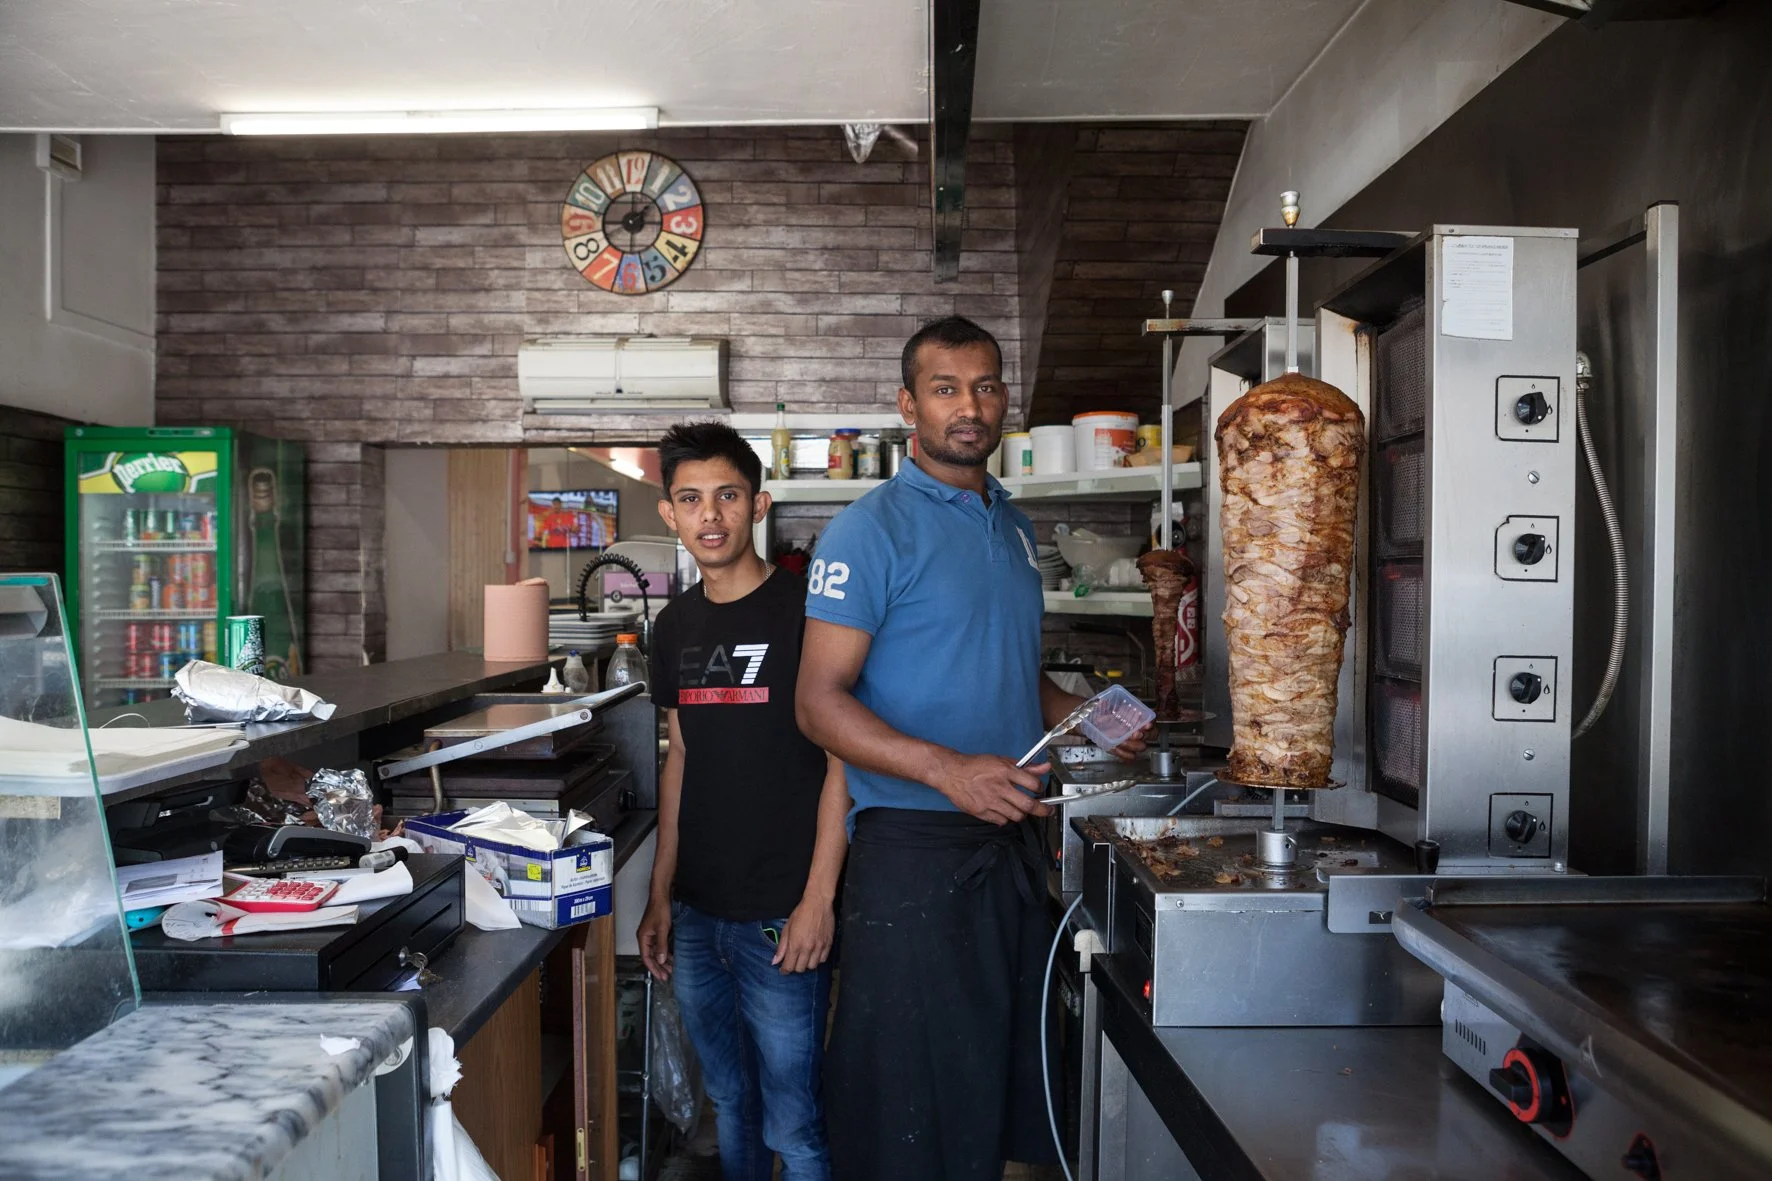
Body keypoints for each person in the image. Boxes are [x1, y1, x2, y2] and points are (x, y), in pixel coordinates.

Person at [796, 315, 1141, 1181]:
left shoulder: (1014, 525)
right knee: (908, 1106)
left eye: (986, 385)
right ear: (907, 403)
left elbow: (1015, 681)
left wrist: (1100, 717)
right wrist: (947, 770)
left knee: (992, 1090)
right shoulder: (869, 532)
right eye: (946, 388)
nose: (970, 405)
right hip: (911, 859)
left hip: (1007, 847)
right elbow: (817, 703)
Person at [637, 421, 849, 1181]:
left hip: (780, 912)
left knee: (796, 1121)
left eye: (727, 495)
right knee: (730, 1100)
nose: (711, 515)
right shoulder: (674, 626)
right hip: (697, 915)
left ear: (759, 504)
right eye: (691, 499)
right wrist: (661, 895)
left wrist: (819, 900)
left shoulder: (808, 614)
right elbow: (681, 757)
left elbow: (842, 762)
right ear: (669, 513)